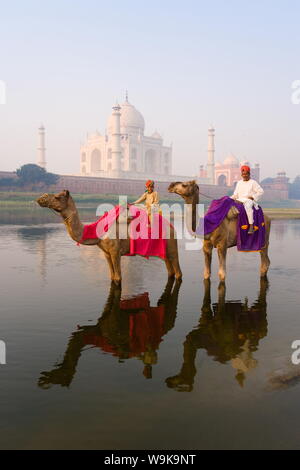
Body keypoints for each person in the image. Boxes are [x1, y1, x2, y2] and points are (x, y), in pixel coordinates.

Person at [231, 165, 264, 234]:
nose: (245, 175)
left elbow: (261, 191)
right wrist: (229, 198)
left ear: (249, 174)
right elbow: (236, 194)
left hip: (249, 200)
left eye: (246, 174)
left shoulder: (253, 182)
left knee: (248, 206)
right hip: (239, 200)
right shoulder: (239, 183)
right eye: (243, 174)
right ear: (241, 175)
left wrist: (253, 197)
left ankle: (251, 225)